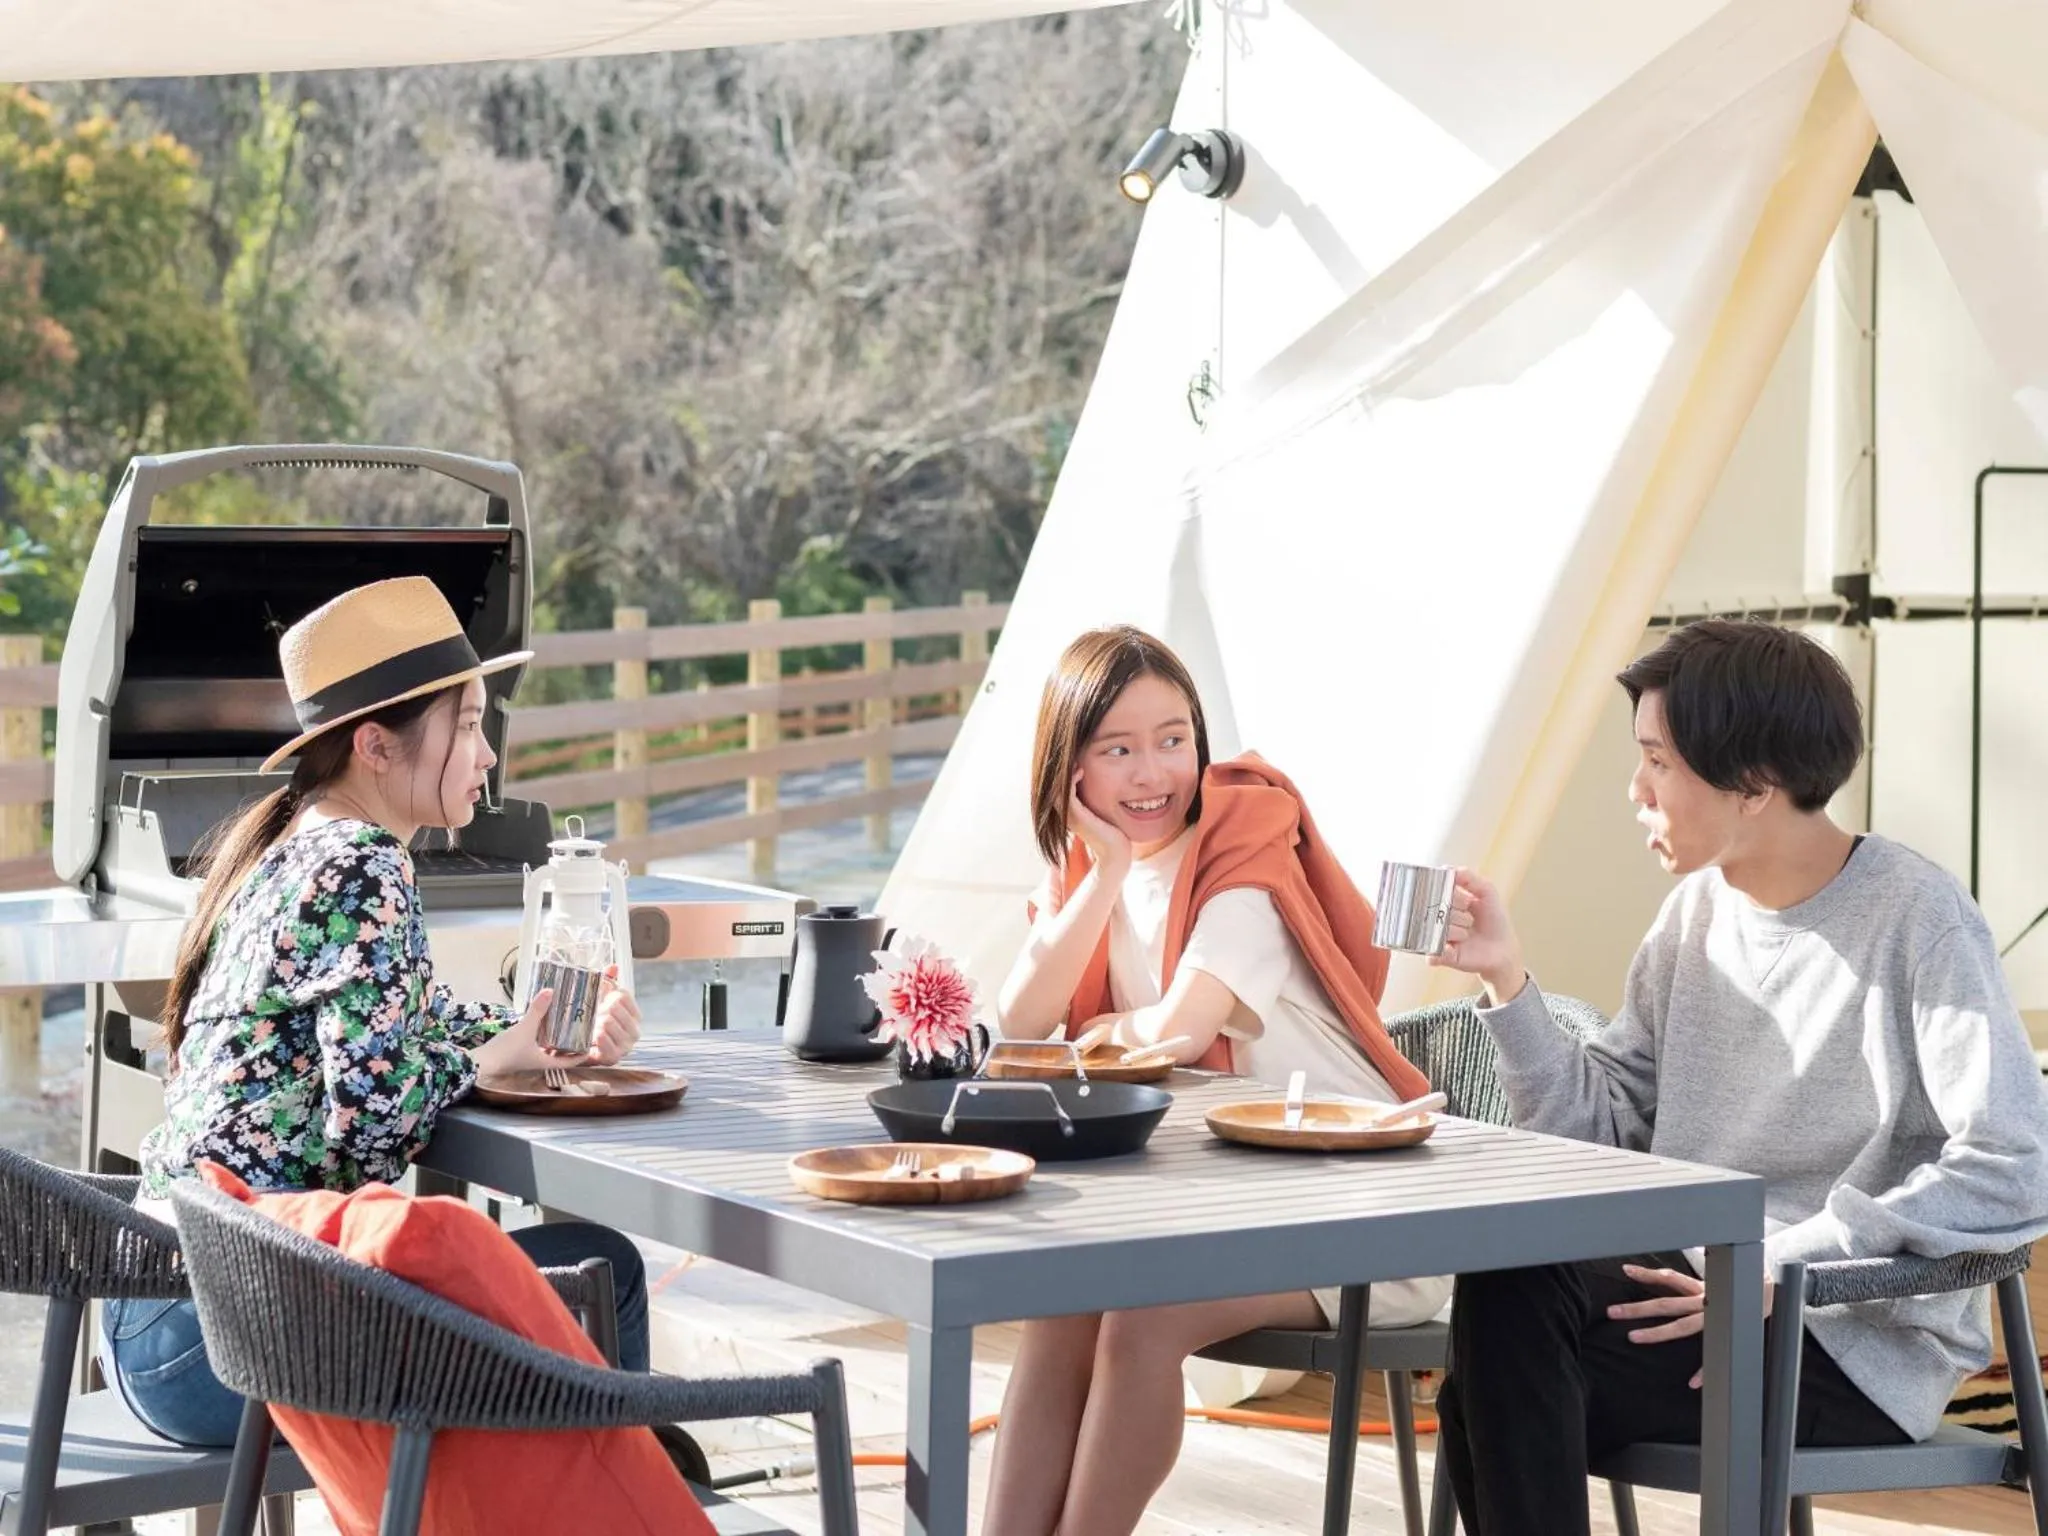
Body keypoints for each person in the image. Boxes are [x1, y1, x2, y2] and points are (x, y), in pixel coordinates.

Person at [1430, 619, 2048, 1535]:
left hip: (1840, 1340)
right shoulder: (1694, 917)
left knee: (1491, 1391)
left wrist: (1777, 1263)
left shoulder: (1921, 919)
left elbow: (2015, 1165)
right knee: (1502, 1311)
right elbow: (1600, 1143)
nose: (1635, 789)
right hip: (1697, 1292)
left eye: (1658, 761)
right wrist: (1506, 981)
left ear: (1755, 784)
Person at [105, 576, 650, 1448]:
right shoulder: (363, 863)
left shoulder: (290, 844)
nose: (487, 756)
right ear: (375, 746)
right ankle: (602, 1499)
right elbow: (375, 1114)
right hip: (220, 1336)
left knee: (542, 1276)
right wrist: (491, 1060)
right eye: (466, 727)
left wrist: (544, 1034)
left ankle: (499, 1499)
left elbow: (403, 1024)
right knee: (601, 1271)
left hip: (164, 1309)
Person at [983, 624, 1449, 1536]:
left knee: (1141, 1319)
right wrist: (1107, 873)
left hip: (1372, 1212)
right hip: (1247, 1204)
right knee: (1059, 1305)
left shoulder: (1246, 851)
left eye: (1174, 739)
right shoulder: (1094, 864)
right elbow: (1024, 1021)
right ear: (1069, 768)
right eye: (1117, 749)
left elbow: (1181, 1031)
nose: (1153, 773)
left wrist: (1113, 1030)